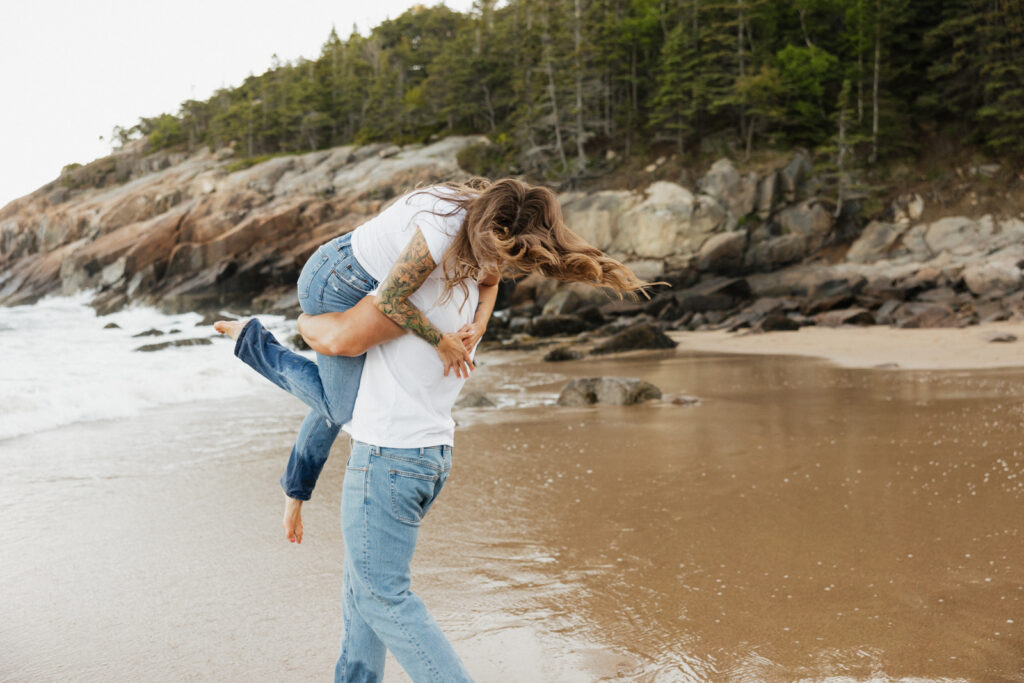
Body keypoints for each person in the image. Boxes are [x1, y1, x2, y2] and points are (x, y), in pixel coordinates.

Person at [215, 177, 648, 542]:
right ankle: (253, 342)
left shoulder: (495, 226)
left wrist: (480, 322)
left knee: (338, 401)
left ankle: (294, 489)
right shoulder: (445, 231)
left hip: (378, 284)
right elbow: (391, 298)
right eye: (496, 255)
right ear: (482, 231)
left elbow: (490, 284)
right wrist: (441, 341)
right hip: (337, 281)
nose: (497, 265)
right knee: (341, 406)